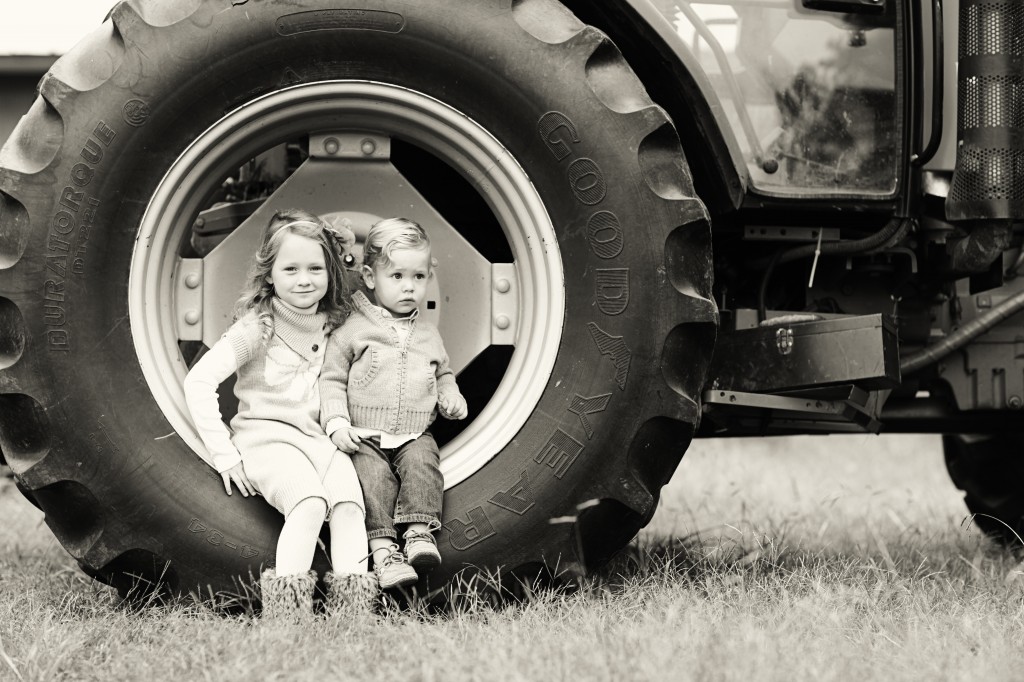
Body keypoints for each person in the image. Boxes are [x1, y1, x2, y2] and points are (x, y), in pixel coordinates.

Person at [183, 208, 376, 619]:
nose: (304, 279)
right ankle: (287, 615)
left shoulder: (332, 321)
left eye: (314, 268)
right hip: (266, 438)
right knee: (308, 503)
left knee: (348, 504)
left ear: (330, 272)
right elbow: (198, 382)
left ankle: (353, 615)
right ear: (269, 275)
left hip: (316, 440)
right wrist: (225, 454)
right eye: (290, 269)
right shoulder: (259, 327)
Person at [320, 217, 467, 590]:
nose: (409, 288)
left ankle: (419, 533)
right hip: (364, 434)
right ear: (370, 277)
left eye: (418, 277)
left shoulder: (428, 333)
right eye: (397, 276)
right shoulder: (354, 327)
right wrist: (337, 422)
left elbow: (443, 372)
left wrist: (451, 393)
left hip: (414, 430)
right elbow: (332, 378)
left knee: (424, 466)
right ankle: (384, 551)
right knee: (373, 481)